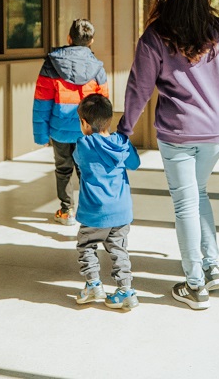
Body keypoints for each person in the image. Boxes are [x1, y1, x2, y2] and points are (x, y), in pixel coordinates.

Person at [117, 0, 219, 310]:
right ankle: (212, 266)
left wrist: (124, 131)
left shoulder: (156, 37)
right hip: (215, 131)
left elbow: (138, 89)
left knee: (185, 203)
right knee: (199, 194)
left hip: (178, 133)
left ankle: (194, 284)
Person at [33, 19, 110, 225]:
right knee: (86, 168)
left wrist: (40, 134)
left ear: (69, 38)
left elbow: (41, 102)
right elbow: (103, 103)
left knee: (63, 168)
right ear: (91, 40)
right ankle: (87, 211)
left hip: (59, 130)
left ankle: (67, 211)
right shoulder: (97, 68)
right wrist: (102, 132)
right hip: (87, 130)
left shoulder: (51, 64)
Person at [73, 93, 142, 310]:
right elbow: (135, 163)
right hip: (121, 212)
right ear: (109, 120)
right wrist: (124, 140)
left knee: (87, 246)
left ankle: (93, 284)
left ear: (84, 123)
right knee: (119, 250)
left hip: (94, 211)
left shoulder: (83, 145)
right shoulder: (122, 143)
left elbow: (78, 161)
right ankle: (126, 291)